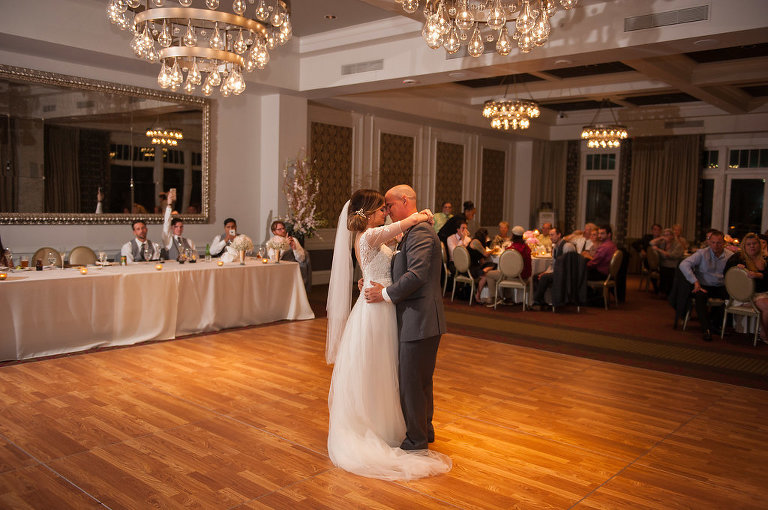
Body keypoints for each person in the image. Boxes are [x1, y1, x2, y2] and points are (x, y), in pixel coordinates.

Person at [326, 187, 451, 480]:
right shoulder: (371, 235)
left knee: (398, 374)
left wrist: (370, 283)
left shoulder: (400, 234)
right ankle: (389, 429)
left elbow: (405, 265)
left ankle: (408, 429)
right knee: (388, 373)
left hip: (388, 306)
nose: (386, 212)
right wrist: (422, 215)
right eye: (382, 208)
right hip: (378, 308)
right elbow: (400, 233)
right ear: (370, 213)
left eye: (389, 206)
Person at [678, 229, 732, 341]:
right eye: (713, 242)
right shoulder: (702, 253)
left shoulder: (730, 256)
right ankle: (706, 329)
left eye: (719, 243)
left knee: (732, 298)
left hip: (720, 286)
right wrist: (695, 282)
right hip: (703, 285)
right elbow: (684, 264)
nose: (715, 245)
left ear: (724, 243)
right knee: (700, 297)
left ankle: (715, 324)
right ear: (709, 242)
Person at [724, 233, 768, 339]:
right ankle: (765, 334)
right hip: (743, 296)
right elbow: (728, 277)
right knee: (766, 305)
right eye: (749, 244)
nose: (752, 246)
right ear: (744, 246)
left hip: (761, 293)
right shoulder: (738, 259)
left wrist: (759, 275)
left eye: (754, 244)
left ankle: (763, 332)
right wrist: (738, 271)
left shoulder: (765, 259)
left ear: (759, 245)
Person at [484, 225, 532, 307]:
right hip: (524, 277)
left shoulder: (510, 249)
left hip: (515, 277)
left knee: (489, 274)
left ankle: (495, 297)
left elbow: (505, 266)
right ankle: (508, 298)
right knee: (506, 272)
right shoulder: (527, 248)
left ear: (513, 236)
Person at [532, 226, 575, 309]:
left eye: (552, 235)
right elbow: (553, 264)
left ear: (559, 235)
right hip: (557, 272)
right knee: (536, 276)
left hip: (565, 274)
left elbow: (569, 264)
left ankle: (536, 301)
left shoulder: (567, 246)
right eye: (550, 235)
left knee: (544, 278)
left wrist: (549, 274)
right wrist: (546, 272)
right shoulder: (555, 247)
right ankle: (542, 302)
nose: (550, 237)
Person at [162, 189, 195, 261]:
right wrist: (169, 205)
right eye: (176, 227)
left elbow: (195, 257)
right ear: (172, 228)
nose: (179, 229)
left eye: (181, 227)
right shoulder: (168, 240)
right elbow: (166, 224)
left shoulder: (189, 241)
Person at [650, 228, 685, 296]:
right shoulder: (663, 243)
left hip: (673, 265)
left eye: (668, 235)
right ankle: (662, 291)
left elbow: (671, 255)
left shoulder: (677, 245)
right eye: (665, 235)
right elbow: (651, 243)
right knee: (660, 270)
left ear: (672, 236)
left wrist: (659, 250)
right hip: (663, 264)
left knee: (667, 271)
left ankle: (667, 292)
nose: (666, 236)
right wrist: (660, 238)